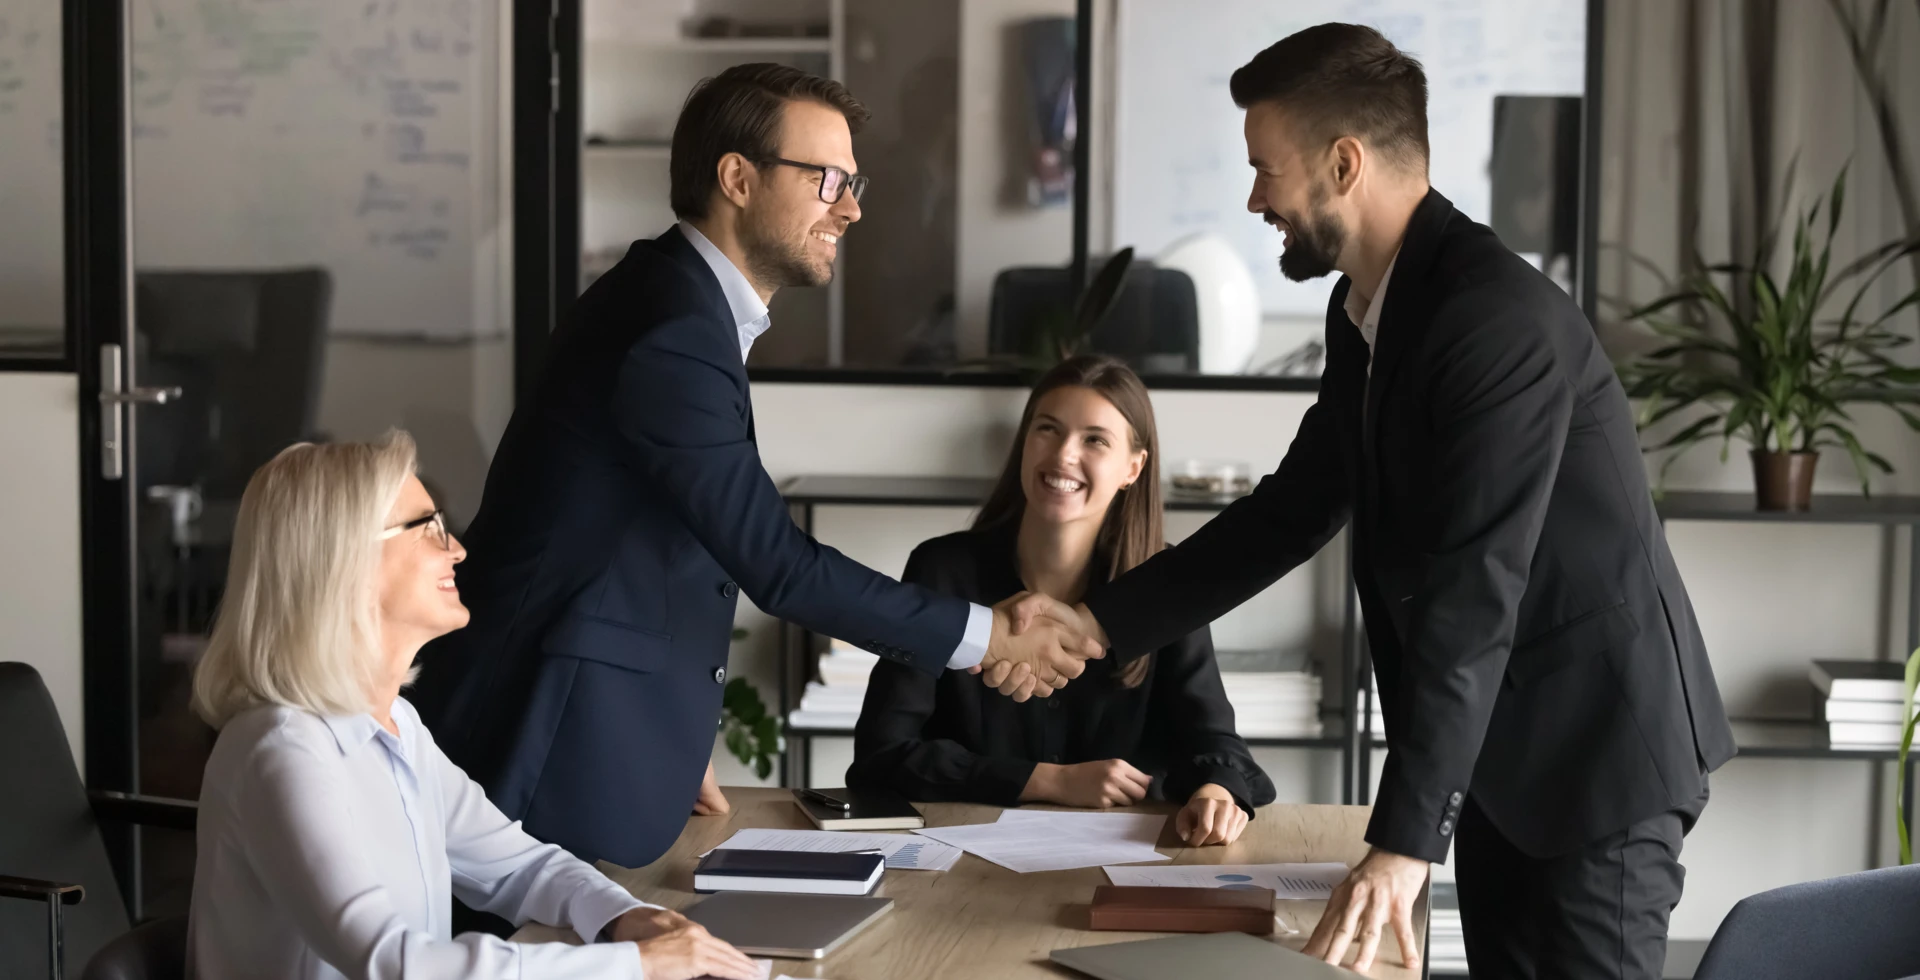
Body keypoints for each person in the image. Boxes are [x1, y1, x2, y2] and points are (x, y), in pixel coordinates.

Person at [1006, 24, 1733, 980]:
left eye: (1267, 168)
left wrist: (1403, 844)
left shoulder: (1492, 322)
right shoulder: (1370, 310)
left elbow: (1477, 590)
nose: (1255, 197)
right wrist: (1095, 625)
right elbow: (1289, 513)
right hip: (1503, 759)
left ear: (1344, 163)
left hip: (1595, 760)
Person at [406, 62, 1101, 875]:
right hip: (535, 731)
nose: (851, 206)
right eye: (829, 179)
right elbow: (775, 564)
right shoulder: (671, 330)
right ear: (737, 178)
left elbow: (659, 542)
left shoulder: (679, 306)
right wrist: (985, 635)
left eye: (853, 180)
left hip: (587, 726)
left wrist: (662, 724)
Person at [186, 434, 759, 980]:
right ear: (343, 560)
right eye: (427, 528)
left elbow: (516, 865)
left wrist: (626, 918)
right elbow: (394, 964)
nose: (457, 548)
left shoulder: (395, 726)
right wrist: (638, 966)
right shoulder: (282, 751)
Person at [848, 356, 1275, 844]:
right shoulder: (942, 569)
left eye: (1095, 439)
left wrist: (1216, 790)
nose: (1064, 455)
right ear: (1024, 444)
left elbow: (1219, 747)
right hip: (960, 854)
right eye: (1047, 429)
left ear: (1133, 468)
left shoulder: (1164, 583)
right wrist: (1048, 781)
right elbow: (880, 757)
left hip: (1129, 855)